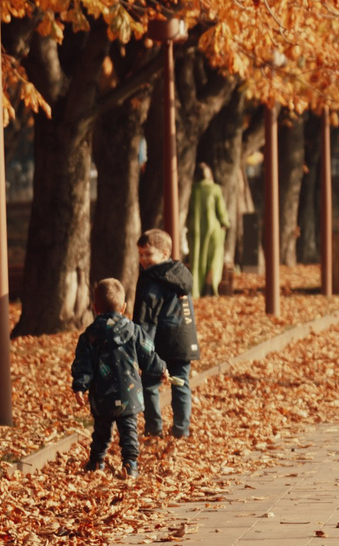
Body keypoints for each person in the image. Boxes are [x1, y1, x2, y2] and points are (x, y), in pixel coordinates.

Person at [72, 276, 165, 476]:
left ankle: (96, 462)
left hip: (102, 395)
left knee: (102, 431)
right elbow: (148, 355)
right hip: (128, 394)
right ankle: (130, 464)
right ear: (123, 307)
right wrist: (161, 369)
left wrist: (80, 386)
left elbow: (83, 364)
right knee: (129, 430)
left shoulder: (89, 336)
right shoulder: (134, 331)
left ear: (95, 308)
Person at [132, 228, 200, 440]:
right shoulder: (182, 273)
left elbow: (146, 319)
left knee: (150, 385)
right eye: (141, 254)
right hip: (184, 341)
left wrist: (142, 350)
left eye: (148, 254)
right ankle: (182, 429)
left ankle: (154, 429)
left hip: (159, 343)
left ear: (164, 254)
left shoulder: (150, 280)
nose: (143, 259)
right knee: (181, 383)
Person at [187, 162, 230, 295]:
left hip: (196, 231)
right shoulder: (214, 189)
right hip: (214, 231)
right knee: (214, 260)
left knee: (197, 260)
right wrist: (225, 224)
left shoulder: (192, 189)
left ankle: (196, 290)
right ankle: (210, 287)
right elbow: (221, 211)